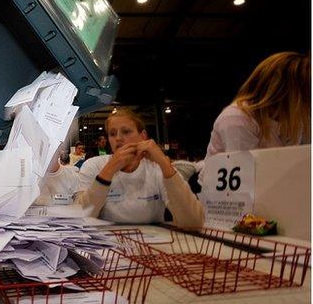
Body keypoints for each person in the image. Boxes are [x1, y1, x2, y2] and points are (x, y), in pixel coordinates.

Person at [68, 110, 204, 228]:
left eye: (126, 131)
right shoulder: (93, 165)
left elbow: (193, 222)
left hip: (152, 246)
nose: (118, 139)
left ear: (142, 136)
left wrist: (164, 163)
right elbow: (79, 219)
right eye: (112, 134)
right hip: (106, 247)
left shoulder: (156, 167)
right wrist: (108, 171)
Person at [203, 52, 310, 161]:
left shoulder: (296, 120)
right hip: (238, 177)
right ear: (285, 92)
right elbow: (247, 173)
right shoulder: (237, 118)